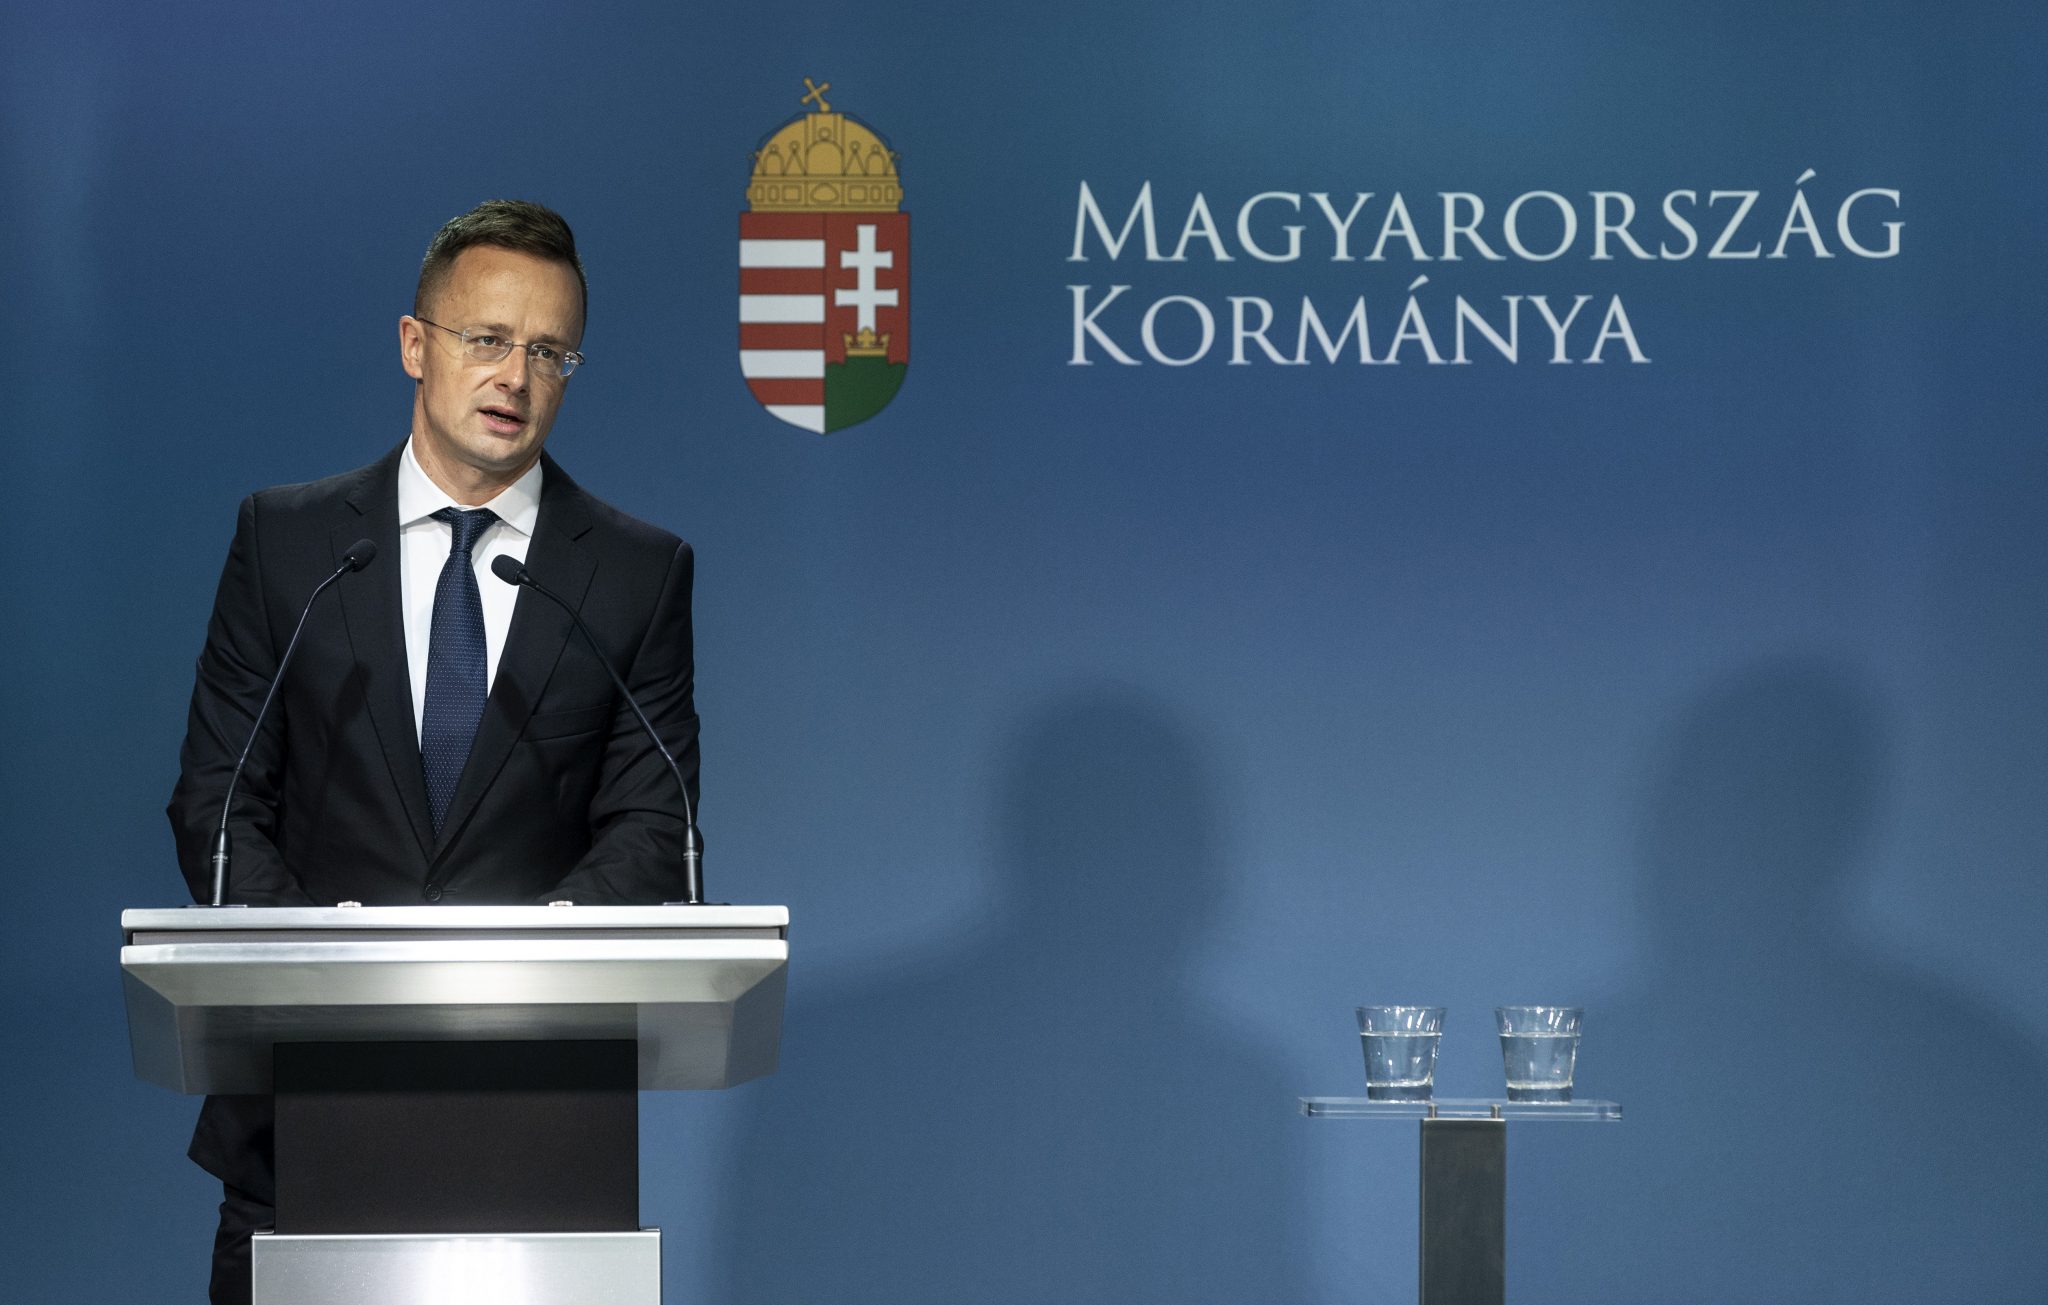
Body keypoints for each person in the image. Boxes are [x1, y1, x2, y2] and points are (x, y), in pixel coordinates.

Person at [165, 199, 700, 1305]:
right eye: (487, 338)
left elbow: (654, 830)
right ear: (416, 344)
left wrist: (514, 979)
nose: (516, 376)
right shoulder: (290, 545)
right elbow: (218, 802)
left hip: (540, 1123)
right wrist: (331, 985)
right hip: (300, 1121)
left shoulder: (634, 575)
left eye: (549, 352)